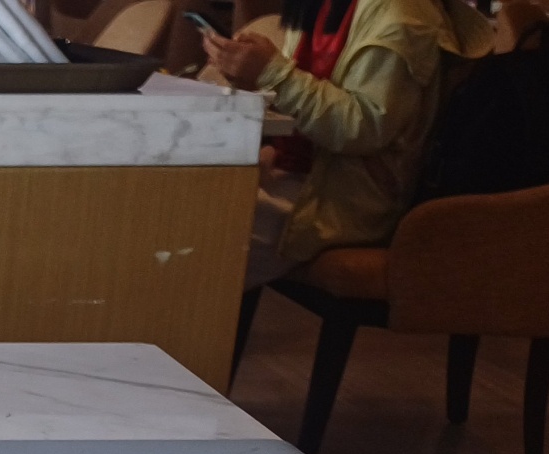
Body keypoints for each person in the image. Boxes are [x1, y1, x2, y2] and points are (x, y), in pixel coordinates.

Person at [204, 0, 493, 289]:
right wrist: (251, 76)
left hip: (344, 198)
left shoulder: (401, 15)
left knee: (196, 236)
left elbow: (364, 128)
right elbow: (305, 94)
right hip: (303, 171)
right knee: (187, 198)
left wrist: (272, 74)